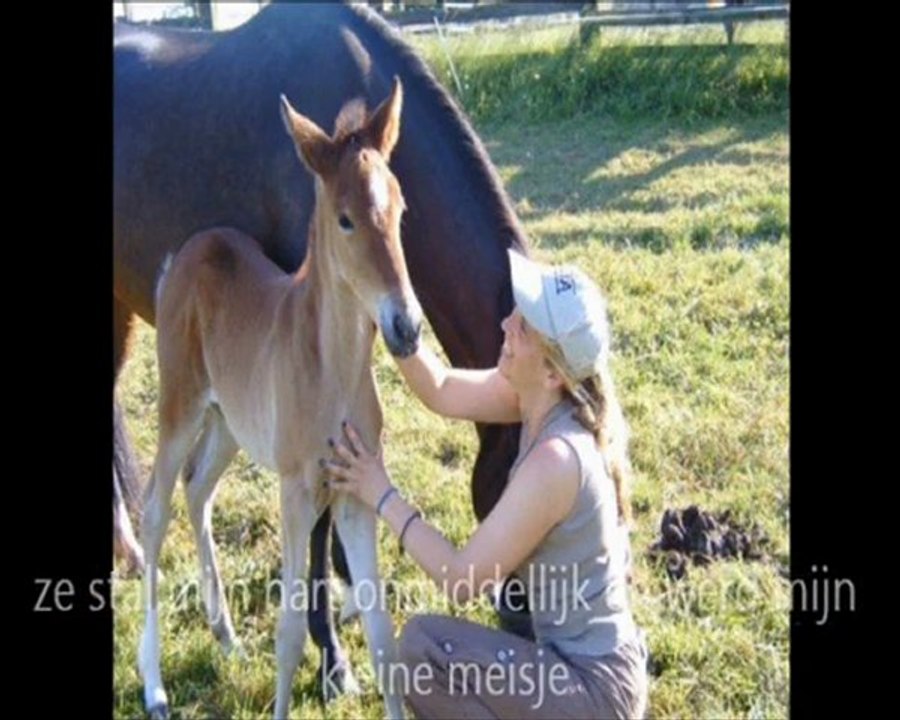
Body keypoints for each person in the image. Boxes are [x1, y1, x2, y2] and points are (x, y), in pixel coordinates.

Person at [323, 250, 648, 719]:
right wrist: (391, 309)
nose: (506, 326)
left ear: (554, 371)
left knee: (420, 650)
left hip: (591, 690)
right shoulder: (538, 399)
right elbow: (440, 389)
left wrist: (381, 494)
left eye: (525, 327)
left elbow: (460, 580)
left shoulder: (556, 461)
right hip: (577, 670)